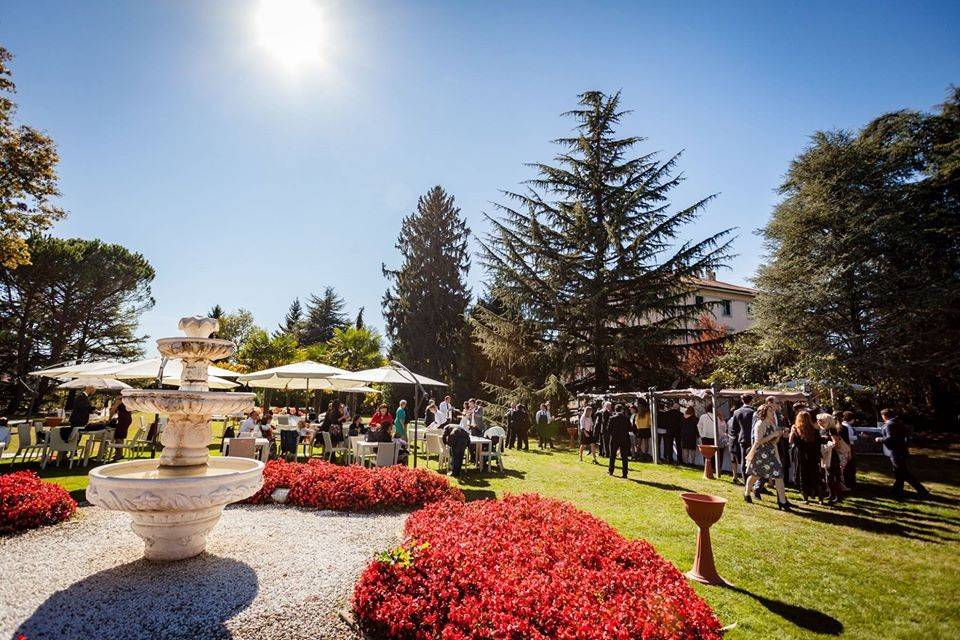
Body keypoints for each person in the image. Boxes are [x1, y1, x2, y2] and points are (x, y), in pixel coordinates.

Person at [743, 404, 792, 510]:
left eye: (772, 411)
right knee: (755, 476)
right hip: (761, 454)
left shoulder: (772, 424)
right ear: (764, 413)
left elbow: (774, 441)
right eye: (770, 411)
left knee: (779, 476)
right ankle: (747, 493)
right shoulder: (760, 424)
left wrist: (778, 435)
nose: (772, 413)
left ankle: (782, 501)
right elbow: (758, 441)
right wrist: (773, 435)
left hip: (771, 453)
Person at [876, 408, 930, 499]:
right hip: (901, 450)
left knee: (904, 473)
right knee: (899, 473)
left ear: (884, 416)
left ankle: (922, 491)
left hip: (895, 452)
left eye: (882, 416)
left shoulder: (890, 425)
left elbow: (890, 438)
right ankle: (897, 491)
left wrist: (879, 439)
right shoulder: (899, 423)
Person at [790, 411, 825, 503]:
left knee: (802, 475)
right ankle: (820, 498)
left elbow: (791, 441)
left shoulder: (797, 430)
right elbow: (818, 442)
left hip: (801, 455)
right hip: (813, 455)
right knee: (815, 476)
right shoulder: (814, 430)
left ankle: (805, 498)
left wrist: (792, 431)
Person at [729, 394, 755, 482]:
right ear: (751, 401)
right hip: (753, 439)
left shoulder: (737, 412)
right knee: (754, 460)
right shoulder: (753, 412)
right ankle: (754, 482)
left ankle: (746, 481)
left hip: (742, 439)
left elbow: (734, 429)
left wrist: (733, 439)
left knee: (744, 461)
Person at [607, 404, 632, 478]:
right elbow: (630, 429)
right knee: (624, 457)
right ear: (622, 410)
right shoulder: (626, 418)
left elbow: (609, 429)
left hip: (614, 438)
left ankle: (611, 471)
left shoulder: (612, 418)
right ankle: (625, 473)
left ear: (615, 410)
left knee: (612, 455)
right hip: (624, 439)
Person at [108, 396, 133, 461]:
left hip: (123, 419)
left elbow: (113, 410)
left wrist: (109, 419)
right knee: (121, 436)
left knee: (117, 436)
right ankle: (120, 453)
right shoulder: (126, 400)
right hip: (127, 419)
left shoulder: (120, 400)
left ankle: (118, 454)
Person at [840, 411, 858, 488]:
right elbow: (848, 438)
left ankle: (849, 481)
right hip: (849, 446)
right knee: (849, 465)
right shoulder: (846, 426)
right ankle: (849, 482)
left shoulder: (846, 425)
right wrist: (857, 437)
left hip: (848, 445)